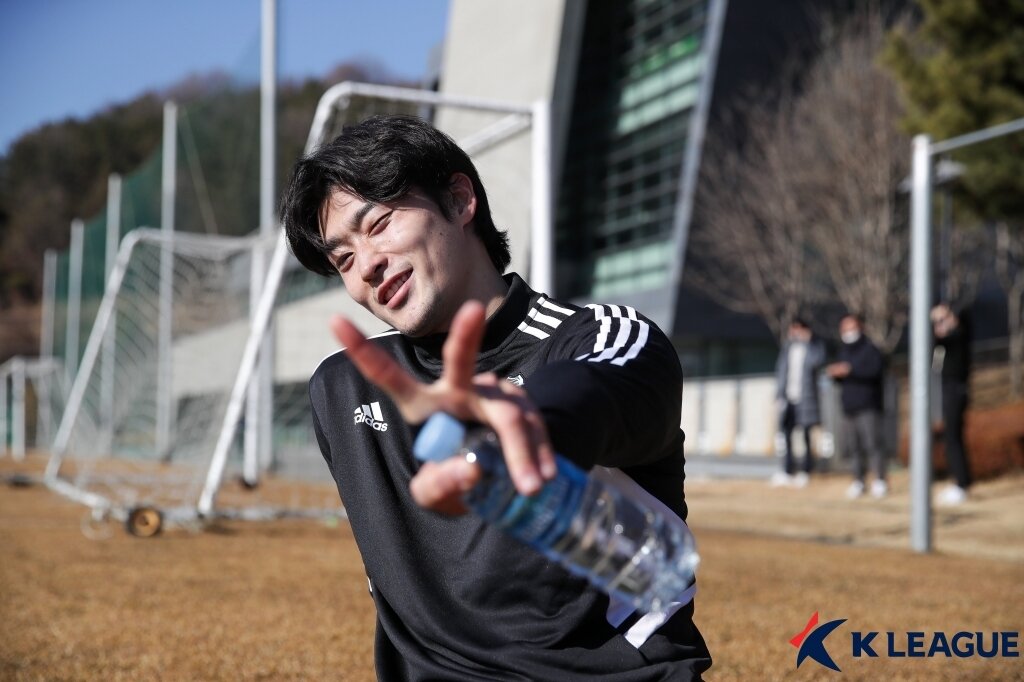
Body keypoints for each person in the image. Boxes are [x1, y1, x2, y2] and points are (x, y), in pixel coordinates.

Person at [280, 115, 711, 680]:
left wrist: (527, 425)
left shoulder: (598, 338)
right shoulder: (344, 389)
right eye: (342, 259)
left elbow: (593, 393)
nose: (367, 266)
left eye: (380, 223)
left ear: (460, 200)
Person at [826, 314, 888, 499]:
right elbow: (842, 378)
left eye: (851, 328)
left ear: (860, 328)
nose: (847, 332)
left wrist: (851, 371)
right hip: (849, 405)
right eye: (844, 329)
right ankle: (858, 481)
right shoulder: (843, 351)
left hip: (869, 404)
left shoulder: (871, 350)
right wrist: (836, 374)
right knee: (853, 447)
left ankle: (880, 480)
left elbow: (876, 372)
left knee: (873, 444)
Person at [772, 317, 826, 488]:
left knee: (805, 435)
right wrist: (779, 395)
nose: (794, 333)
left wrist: (808, 341)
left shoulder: (814, 347)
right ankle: (787, 470)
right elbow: (781, 371)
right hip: (788, 398)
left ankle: (805, 471)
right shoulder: (787, 348)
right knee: (786, 435)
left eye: (798, 329)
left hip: (806, 399)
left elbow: (817, 362)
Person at [932, 303, 972, 505]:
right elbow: (934, 344)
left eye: (943, 318)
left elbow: (946, 337)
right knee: (949, 438)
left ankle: (962, 484)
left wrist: (944, 321)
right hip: (947, 389)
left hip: (955, 390)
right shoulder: (947, 340)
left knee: (953, 438)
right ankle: (958, 481)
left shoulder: (959, 334)